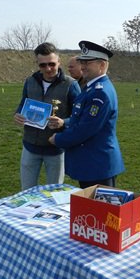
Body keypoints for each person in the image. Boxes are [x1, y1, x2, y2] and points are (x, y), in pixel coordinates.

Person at [49, 40, 124, 188]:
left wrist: (58, 139)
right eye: (82, 62)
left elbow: (85, 129)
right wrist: (65, 122)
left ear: (102, 65)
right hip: (91, 163)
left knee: (99, 209)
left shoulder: (100, 93)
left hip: (97, 164)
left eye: (88, 63)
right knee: (92, 208)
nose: (82, 67)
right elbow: (83, 118)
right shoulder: (92, 87)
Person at [14, 42, 81, 190]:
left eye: (52, 64)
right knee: (27, 192)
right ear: (37, 63)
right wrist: (18, 114)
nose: (48, 69)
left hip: (55, 148)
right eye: (42, 65)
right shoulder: (30, 81)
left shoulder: (70, 84)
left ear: (59, 62)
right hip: (30, 146)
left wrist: (63, 122)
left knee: (55, 193)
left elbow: (80, 116)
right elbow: (22, 104)